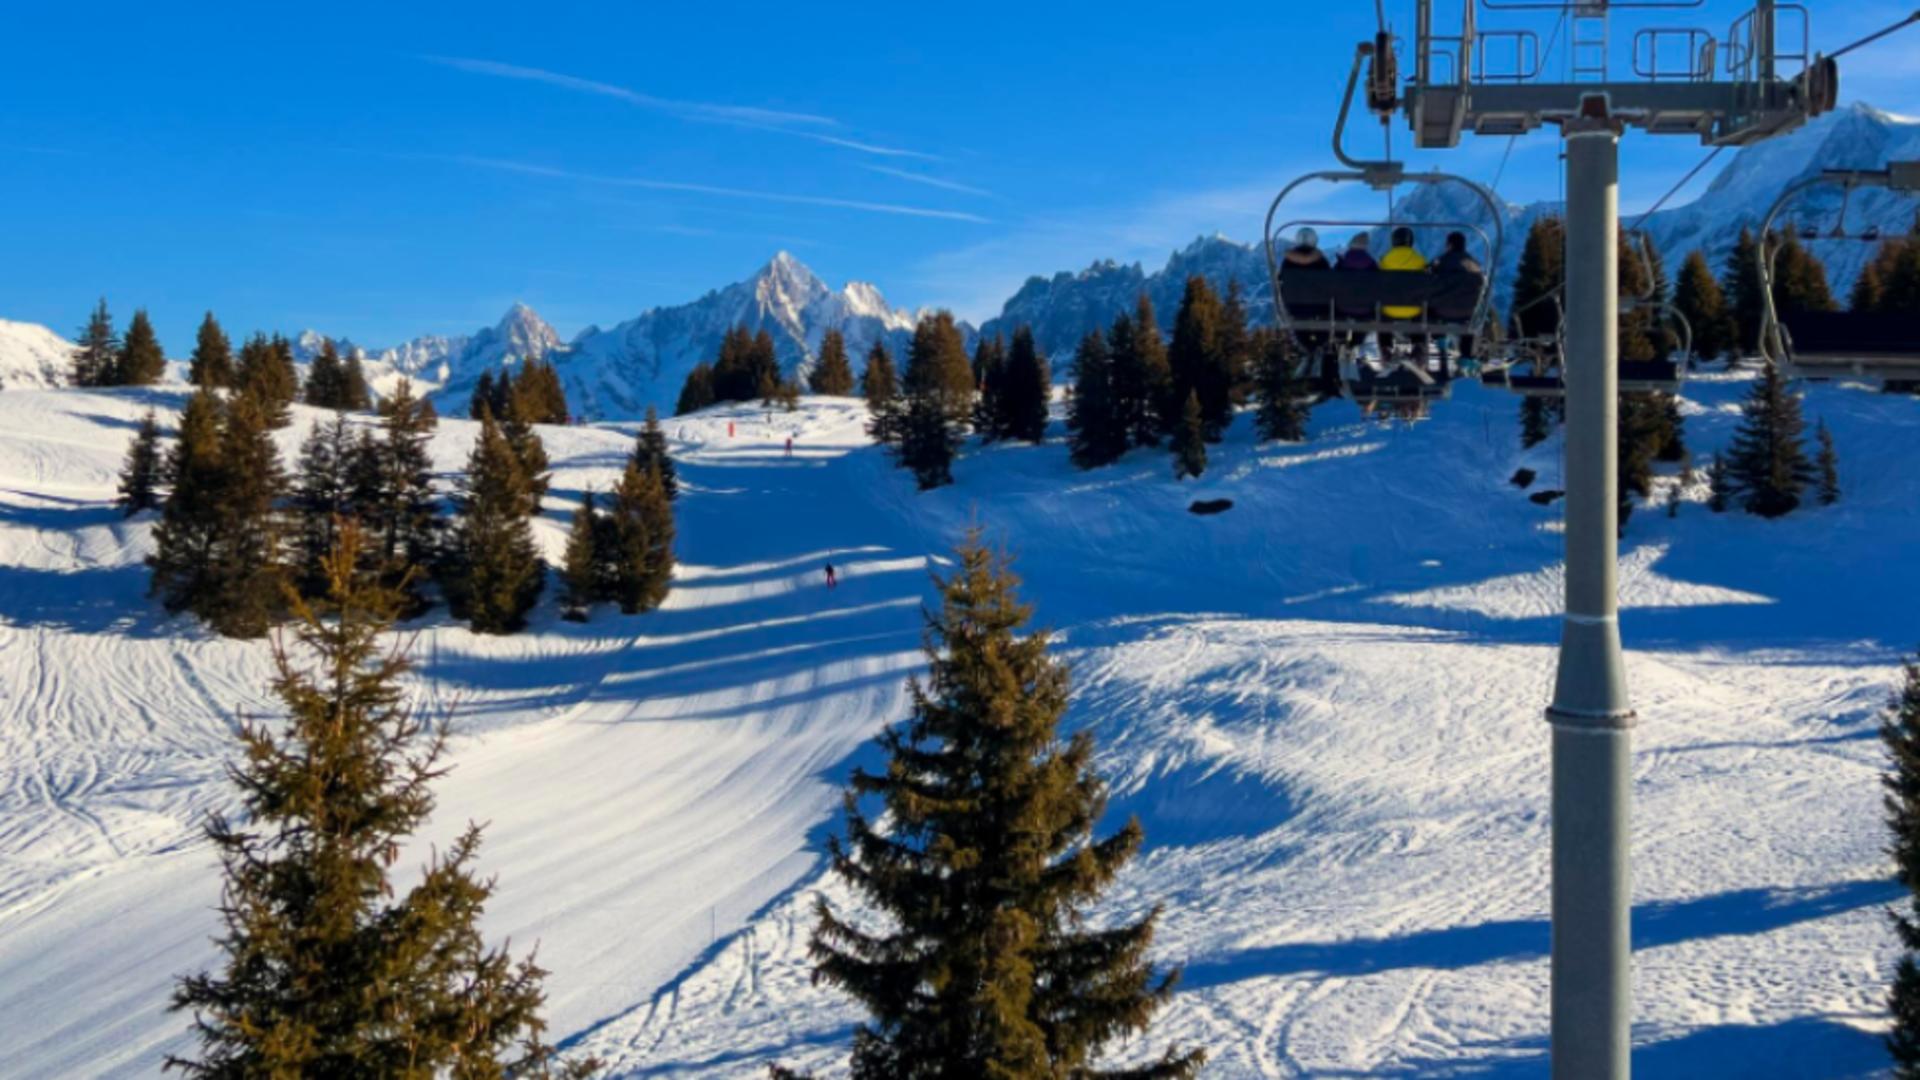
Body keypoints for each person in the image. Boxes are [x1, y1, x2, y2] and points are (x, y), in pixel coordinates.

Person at [1379, 226, 1430, 365]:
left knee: (1381, 312)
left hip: (1390, 309)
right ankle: (1419, 346)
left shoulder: (1385, 259)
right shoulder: (1419, 259)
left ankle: (1385, 347)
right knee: (1422, 309)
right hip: (1414, 309)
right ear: (1410, 241)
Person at [1281, 227, 1333, 363]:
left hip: (1296, 309)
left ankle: (1308, 350)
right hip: (1319, 309)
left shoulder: (1287, 262)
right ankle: (1321, 348)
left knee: (1300, 327)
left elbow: (1282, 284)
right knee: (1324, 326)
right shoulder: (1321, 261)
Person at [1432, 231, 1483, 368]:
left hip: (1441, 310)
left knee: (1430, 306)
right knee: (1472, 321)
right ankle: (1466, 356)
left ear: (1449, 245)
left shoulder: (1440, 261)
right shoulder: (1474, 264)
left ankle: (1440, 338)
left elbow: (1429, 281)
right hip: (1467, 311)